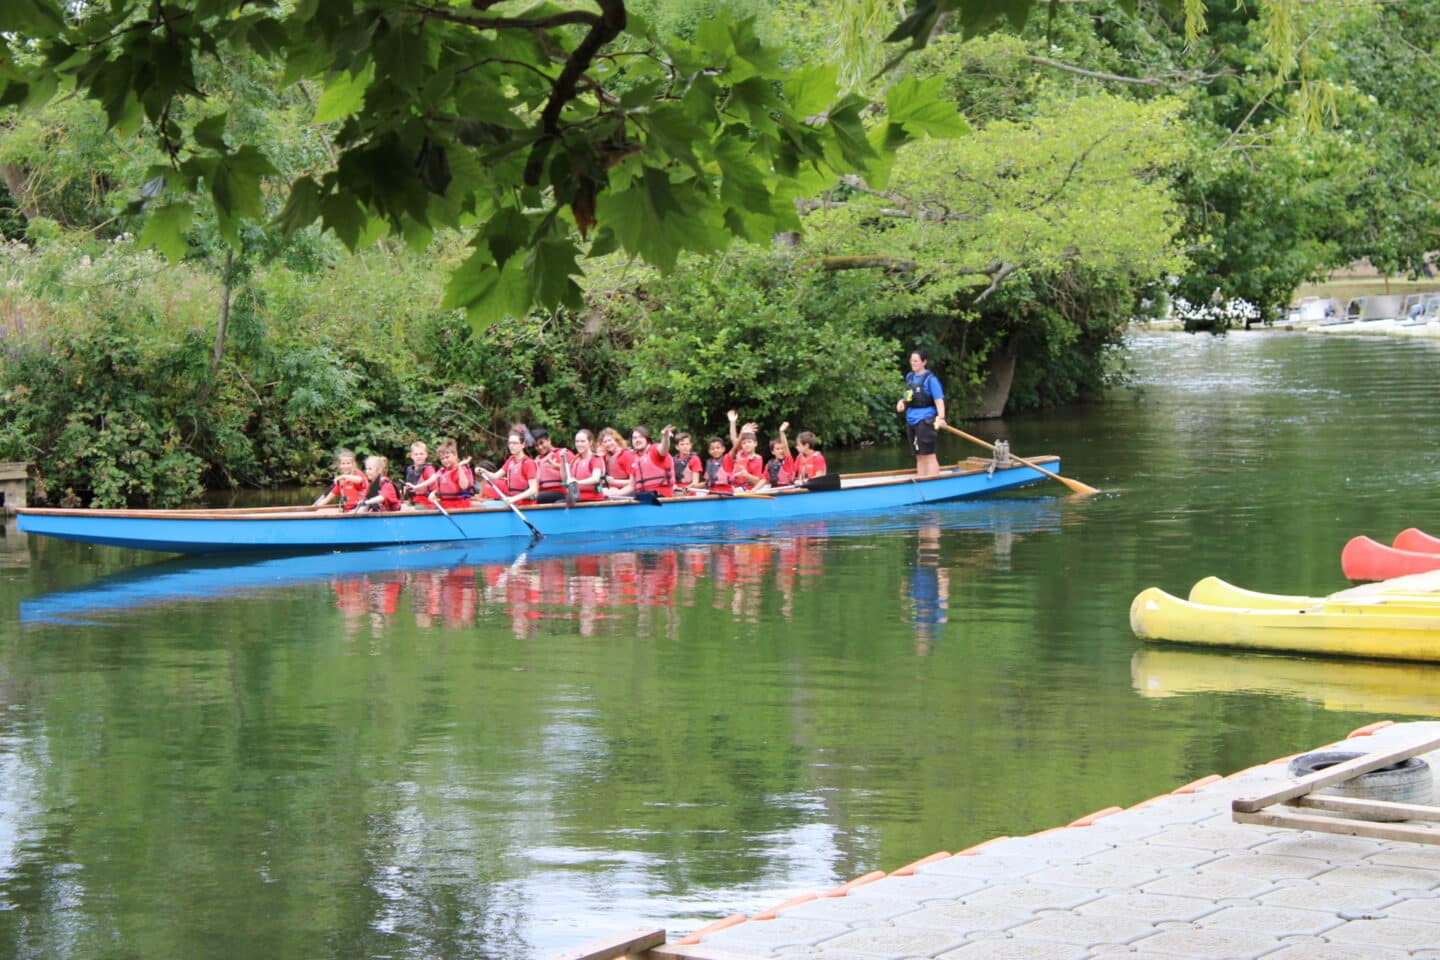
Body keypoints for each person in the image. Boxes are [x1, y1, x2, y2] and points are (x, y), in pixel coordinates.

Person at [897, 349, 946, 478]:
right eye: (911, 360)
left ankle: (933, 483)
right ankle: (922, 480)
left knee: (928, 454)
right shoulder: (909, 377)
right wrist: (902, 402)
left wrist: (941, 418)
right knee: (918, 455)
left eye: (916, 361)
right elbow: (908, 397)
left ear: (924, 362)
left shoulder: (931, 380)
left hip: (926, 420)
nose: (913, 363)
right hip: (911, 419)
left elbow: (939, 401)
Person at [605, 425, 676, 499]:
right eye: (634, 438)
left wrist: (665, 437)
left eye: (640, 437)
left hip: (660, 496)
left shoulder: (654, 450)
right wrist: (613, 494)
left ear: (647, 439)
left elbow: (664, 449)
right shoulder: (634, 459)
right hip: (644, 498)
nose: (637, 440)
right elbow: (631, 487)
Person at [410, 439, 475, 509]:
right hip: (445, 504)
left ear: (455, 455)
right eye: (442, 459)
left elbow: (464, 486)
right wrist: (434, 493)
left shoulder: (462, 469)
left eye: (447, 457)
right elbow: (433, 480)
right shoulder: (442, 471)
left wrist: (459, 466)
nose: (445, 460)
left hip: (460, 505)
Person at [480, 433, 539, 505]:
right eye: (510, 443)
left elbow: (533, 489)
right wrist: (484, 471)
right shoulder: (511, 460)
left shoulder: (528, 463)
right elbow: (495, 477)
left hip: (525, 504)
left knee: (486, 505)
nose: (511, 446)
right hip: (513, 502)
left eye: (515, 443)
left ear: (523, 445)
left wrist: (513, 498)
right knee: (486, 504)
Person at [531, 428, 574, 504]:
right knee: (530, 498)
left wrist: (556, 466)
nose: (540, 447)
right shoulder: (536, 460)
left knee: (539, 497)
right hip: (543, 494)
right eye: (536, 445)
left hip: (561, 493)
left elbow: (573, 472)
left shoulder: (563, 453)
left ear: (549, 440)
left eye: (542, 443)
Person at [724, 411, 764, 490]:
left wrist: (747, 475)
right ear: (741, 445)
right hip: (735, 489)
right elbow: (733, 438)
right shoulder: (740, 452)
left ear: (755, 443)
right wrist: (732, 422)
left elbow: (758, 481)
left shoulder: (758, 459)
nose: (747, 444)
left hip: (749, 490)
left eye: (749, 442)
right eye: (744, 443)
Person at [598, 427, 637, 495]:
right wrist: (600, 458)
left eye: (609, 440)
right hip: (613, 489)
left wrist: (615, 482)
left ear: (616, 440)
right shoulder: (605, 457)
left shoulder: (626, 455)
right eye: (605, 442)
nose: (608, 444)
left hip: (627, 491)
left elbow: (635, 481)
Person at [571, 429, 607, 502]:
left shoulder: (595, 459)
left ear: (590, 442)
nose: (579, 444)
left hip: (593, 499)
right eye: (577, 441)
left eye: (582, 441)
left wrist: (577, 482)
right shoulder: (575, 460)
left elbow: (595, 478)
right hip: (577, 498)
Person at [760, 421, 795, 490]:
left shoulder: (788, 461)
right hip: (775, 491)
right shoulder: (769, 464)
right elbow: (764, 480)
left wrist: (781, 432)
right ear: (773, 452)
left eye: (782, 449)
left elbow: (785, 446)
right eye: (778, 449)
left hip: (788, 490)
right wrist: (753, 490)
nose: (781, 451)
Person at [402, 441, 437, 507]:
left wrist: (416, 487)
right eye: (416, 454)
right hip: (414, 500)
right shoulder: (410, 469)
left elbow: (434, 477)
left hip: (426, 501)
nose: (419, 456)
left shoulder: (428, 468)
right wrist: (406, 490)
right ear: (412, 456)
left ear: (426, 455)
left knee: (408, 509)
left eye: (421, 454)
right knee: (401, 507)